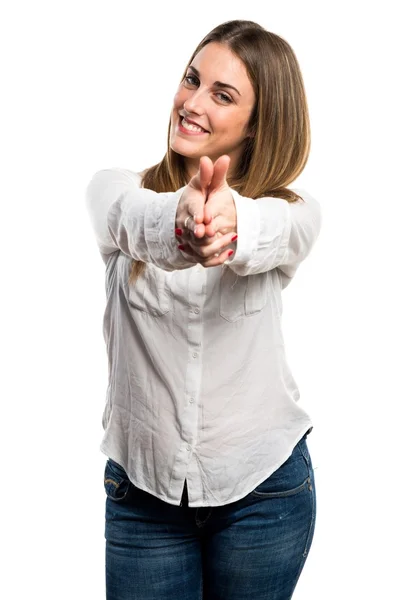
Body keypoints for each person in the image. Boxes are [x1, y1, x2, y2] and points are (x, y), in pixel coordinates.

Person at [85, 19, 322, 600]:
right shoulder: (115, 189)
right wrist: (182, 224)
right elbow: (133, 219)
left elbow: (281, 230)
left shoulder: (292, 213)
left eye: (223, 95)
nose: (191, 103)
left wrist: (230, 224)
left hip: (265, 492)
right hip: (143, 499)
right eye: (192, 79)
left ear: (257, 124)